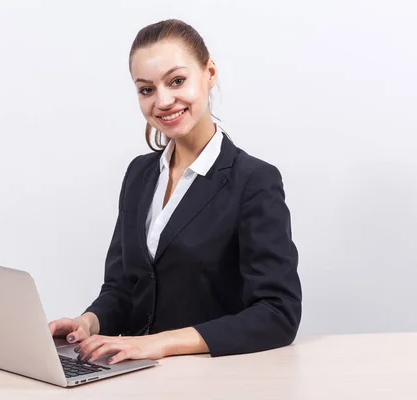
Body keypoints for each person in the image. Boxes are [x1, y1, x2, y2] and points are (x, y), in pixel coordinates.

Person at [48, 19, 302, 365]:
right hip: (135, 375)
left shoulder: (254, 180)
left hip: (213, 378)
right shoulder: (140, 174)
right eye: (146, 89)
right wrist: (88, 323)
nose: (163, 101)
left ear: (209, 73)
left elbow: (278, 313)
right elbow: (124, 288)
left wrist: (160, 344)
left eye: (177, 81)